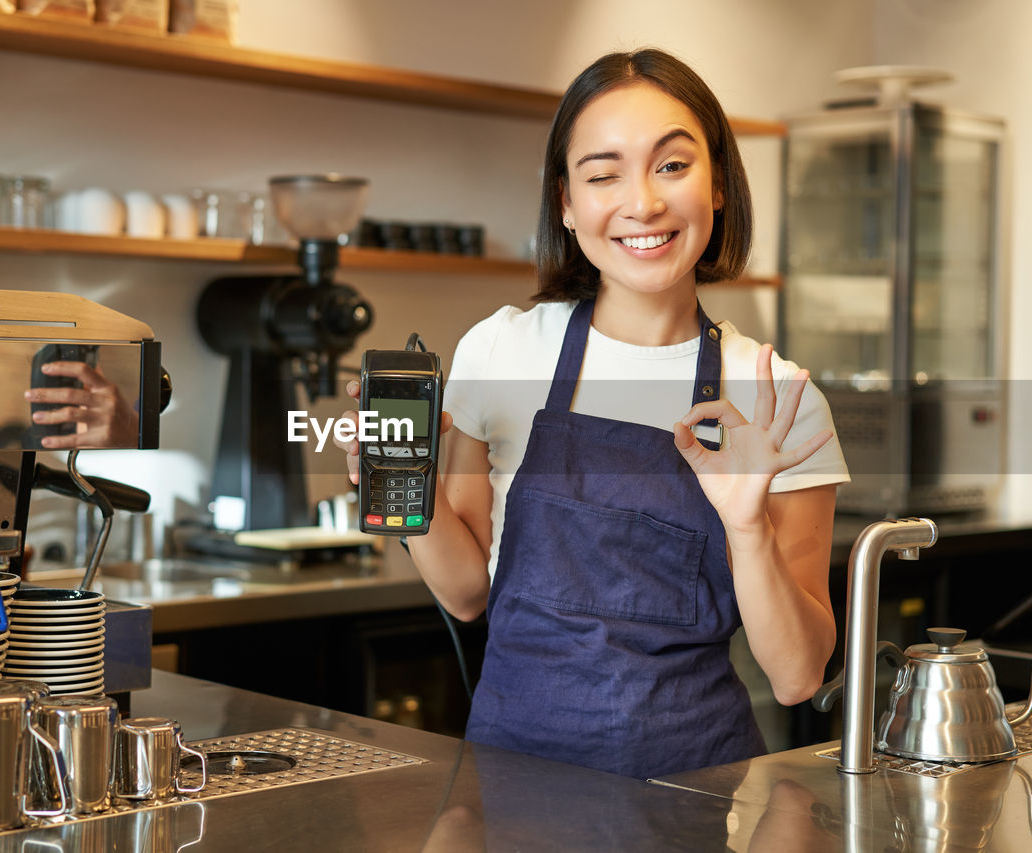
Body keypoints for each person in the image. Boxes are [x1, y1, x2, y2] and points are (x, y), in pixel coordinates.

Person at [337, 48, 849, 779]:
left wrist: (745, 524)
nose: (641, 203)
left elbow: (798, 674)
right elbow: (465, 591)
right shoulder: (500, 349)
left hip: (695, 794)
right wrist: (402, 492)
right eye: (604, 174)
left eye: (672, 166)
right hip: (510, 785)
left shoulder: (775, 394)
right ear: (567, 204)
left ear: (720, 185)